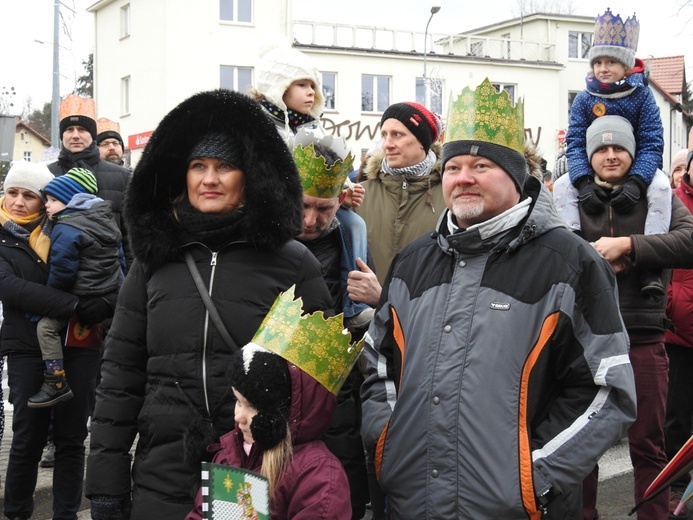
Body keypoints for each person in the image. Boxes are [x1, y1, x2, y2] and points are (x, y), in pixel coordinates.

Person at [360, 79, 638, 518]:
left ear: (516, 176)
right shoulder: (412, 262)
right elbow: (377, 367)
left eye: (482, 165)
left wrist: (532, 477)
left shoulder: (570, 263)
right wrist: (387, 444)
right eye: (453, 167)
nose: (463, 177)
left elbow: (607, 389)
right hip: (413, 502)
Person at [84, 89, 333, 519]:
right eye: (198, 166)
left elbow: (325, 388)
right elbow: (120, 377)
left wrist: (336, 480)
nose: (209, 179)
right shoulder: (153, 263)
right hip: (162, 469)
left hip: (247, 469)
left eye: (224, 167)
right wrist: (105, 483)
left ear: (250, 175)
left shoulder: (292, 263)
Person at [554, 115, 693, 520]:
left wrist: (628, 245)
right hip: (584, 338)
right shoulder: (568, 196)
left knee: (649, 444)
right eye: (601, 148)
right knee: (582, 445)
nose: (610, 155)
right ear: (588, 155)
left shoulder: (660, 195)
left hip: (644, 336)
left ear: (633, 154)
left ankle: (653, 516)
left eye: (619, 149)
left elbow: (689, 240)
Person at [0, 160, 116, 519]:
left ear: (45, 199)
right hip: (26, 348)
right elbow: (11, 288)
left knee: (70, 438)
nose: (19, 201)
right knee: (27, 438)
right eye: (12, 192)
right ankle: (17, 512)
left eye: (29, 195)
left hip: (79, 346)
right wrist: (79, 305)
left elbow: (111, 272)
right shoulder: (3, 236)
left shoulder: (71, 227)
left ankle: (65, 514)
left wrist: (107, 304)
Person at [187, 288, 362, 520]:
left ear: (285, 411)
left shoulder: (317, 474)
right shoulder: (230, 452)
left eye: (252, 406)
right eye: (238, 402)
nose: (239, 417)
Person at [292, 133, 372, 519]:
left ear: (340, 199)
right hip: (264, 387)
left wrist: (376, 299)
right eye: (303, 205)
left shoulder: (352, 236)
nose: (310, 220)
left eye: (322, 209)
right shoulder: (256, 242)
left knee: (337, 488)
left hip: (332, 382)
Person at [564, 8, 669, 297]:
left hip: (635, 167)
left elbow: (651, 141)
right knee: (561, 186)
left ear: (626, 67)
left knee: (661, 188)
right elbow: (574, 141)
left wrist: (637, 181)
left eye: (611, 61)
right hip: (593, 168)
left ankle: (651, 263)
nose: (603, 68)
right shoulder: (585, 99)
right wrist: (583, 180)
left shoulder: (641, 95)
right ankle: (571, 246)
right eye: (598, 61)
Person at [28, 167, 124, 409]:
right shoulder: (105, 220)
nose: (46, 205)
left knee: (46, 327)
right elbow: (119, 260)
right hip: (105, 294)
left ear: (72, 200)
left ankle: (55, 381)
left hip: (80, 293)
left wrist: (47, 303)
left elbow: (62, 271)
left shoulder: (66, 227)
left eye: (52, 200)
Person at [351, 101, 445, 305]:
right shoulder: (359, 193)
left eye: (398, 135)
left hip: (424, 323)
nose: (387, 144)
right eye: (384, 135)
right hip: (363, 324)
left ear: (422, 141)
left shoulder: (450, 195)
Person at [47, 94, 132, 267]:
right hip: (59, 274)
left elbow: (129, 234)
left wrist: (130, 278)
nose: (75, 135)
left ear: (92, 135)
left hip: (110, 276)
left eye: (82, 129)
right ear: (62, 135)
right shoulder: (47, 174)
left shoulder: (121, 176)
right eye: (69, 130)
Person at [663, 143, 693, 517]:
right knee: (676, 414)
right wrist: (669, 301)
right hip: (677, 326)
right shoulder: (670, 201)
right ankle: (677, 489)